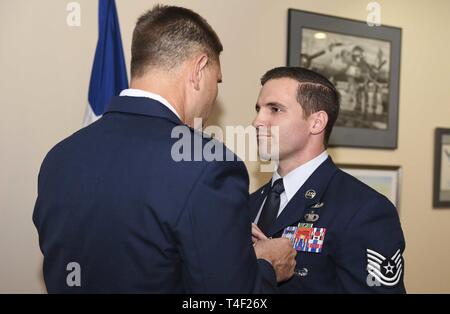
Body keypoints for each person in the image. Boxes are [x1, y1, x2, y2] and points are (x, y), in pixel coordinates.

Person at [33, 5, 296, 293]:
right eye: (216, 80)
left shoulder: (59, 158)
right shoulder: (209, 164)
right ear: (198, 69)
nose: (214, 96)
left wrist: (221, 238)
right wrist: (267, 266)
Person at [250, 66, 406, 293]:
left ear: (316, 123)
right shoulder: (248, 203)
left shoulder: (364, 209)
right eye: (258, 109)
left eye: (275, 109)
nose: (257, 121)